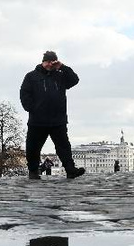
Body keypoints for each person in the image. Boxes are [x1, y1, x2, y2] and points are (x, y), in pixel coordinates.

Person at [20, 51, 86, 181]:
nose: (51, 64)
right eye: (49, 61)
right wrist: (32, 109)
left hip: (58, 119)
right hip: (38, 120)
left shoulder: (60, 76)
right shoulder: (31, 76)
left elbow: (75, 80)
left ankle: (70, 170)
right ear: (43, 61)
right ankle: (33, 171)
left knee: (64, 147)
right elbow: (24, 94)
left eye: (53, 61)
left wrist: (62, 67)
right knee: (33, 147)